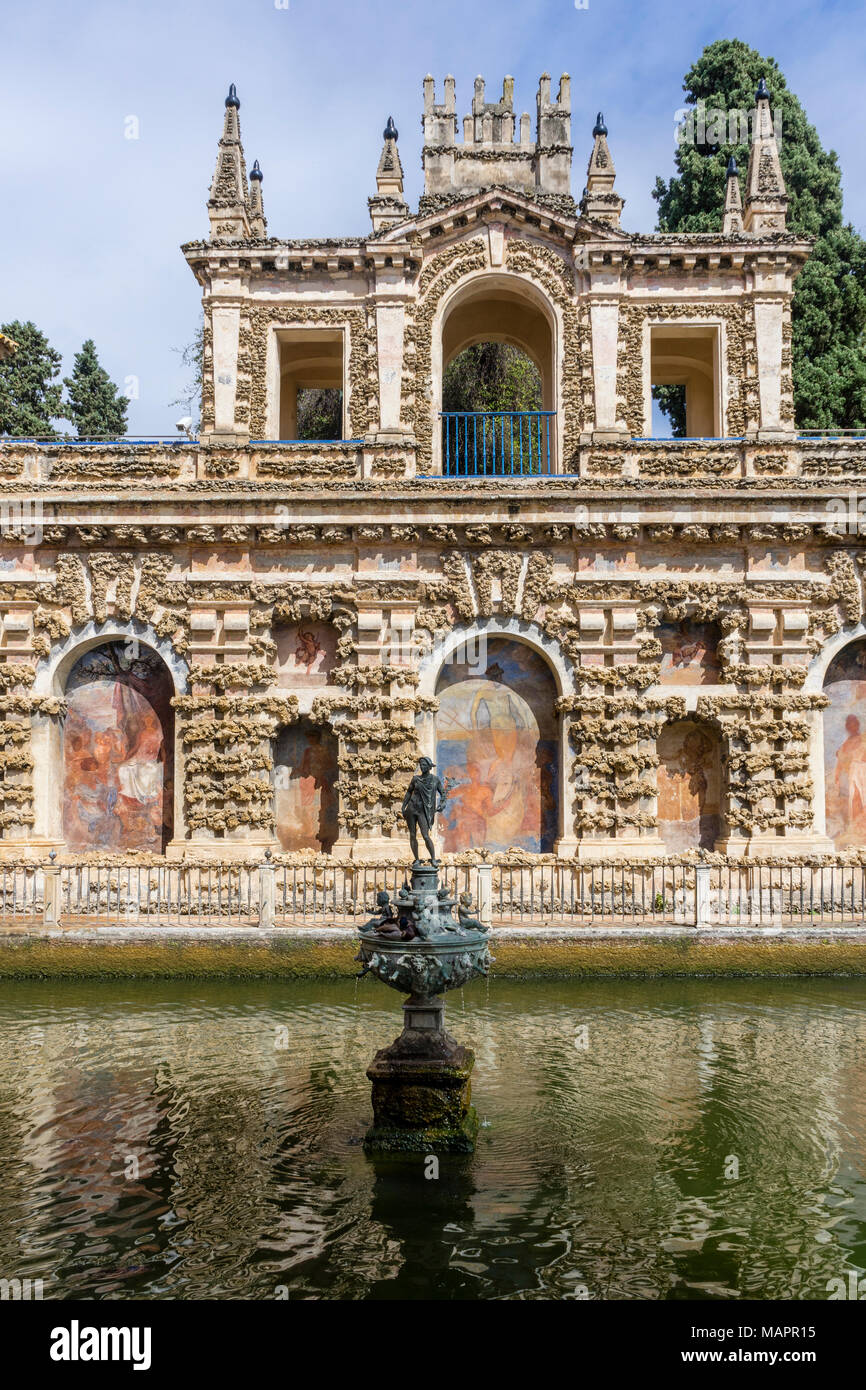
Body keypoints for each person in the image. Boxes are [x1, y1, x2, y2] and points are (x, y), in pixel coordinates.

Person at [401, 757, 447, 865]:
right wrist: (403, 806)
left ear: (429, 766)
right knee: (412, 835)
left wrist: (442, 804)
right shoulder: (416, 779)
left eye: (424, 765)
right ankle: (416, 859)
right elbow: (408, 792)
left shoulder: (435, 779)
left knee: (425, 835)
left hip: (423, 811)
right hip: (412, 809)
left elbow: (443, 794)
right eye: (421, 764)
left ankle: (433, 858)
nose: (422, 766)